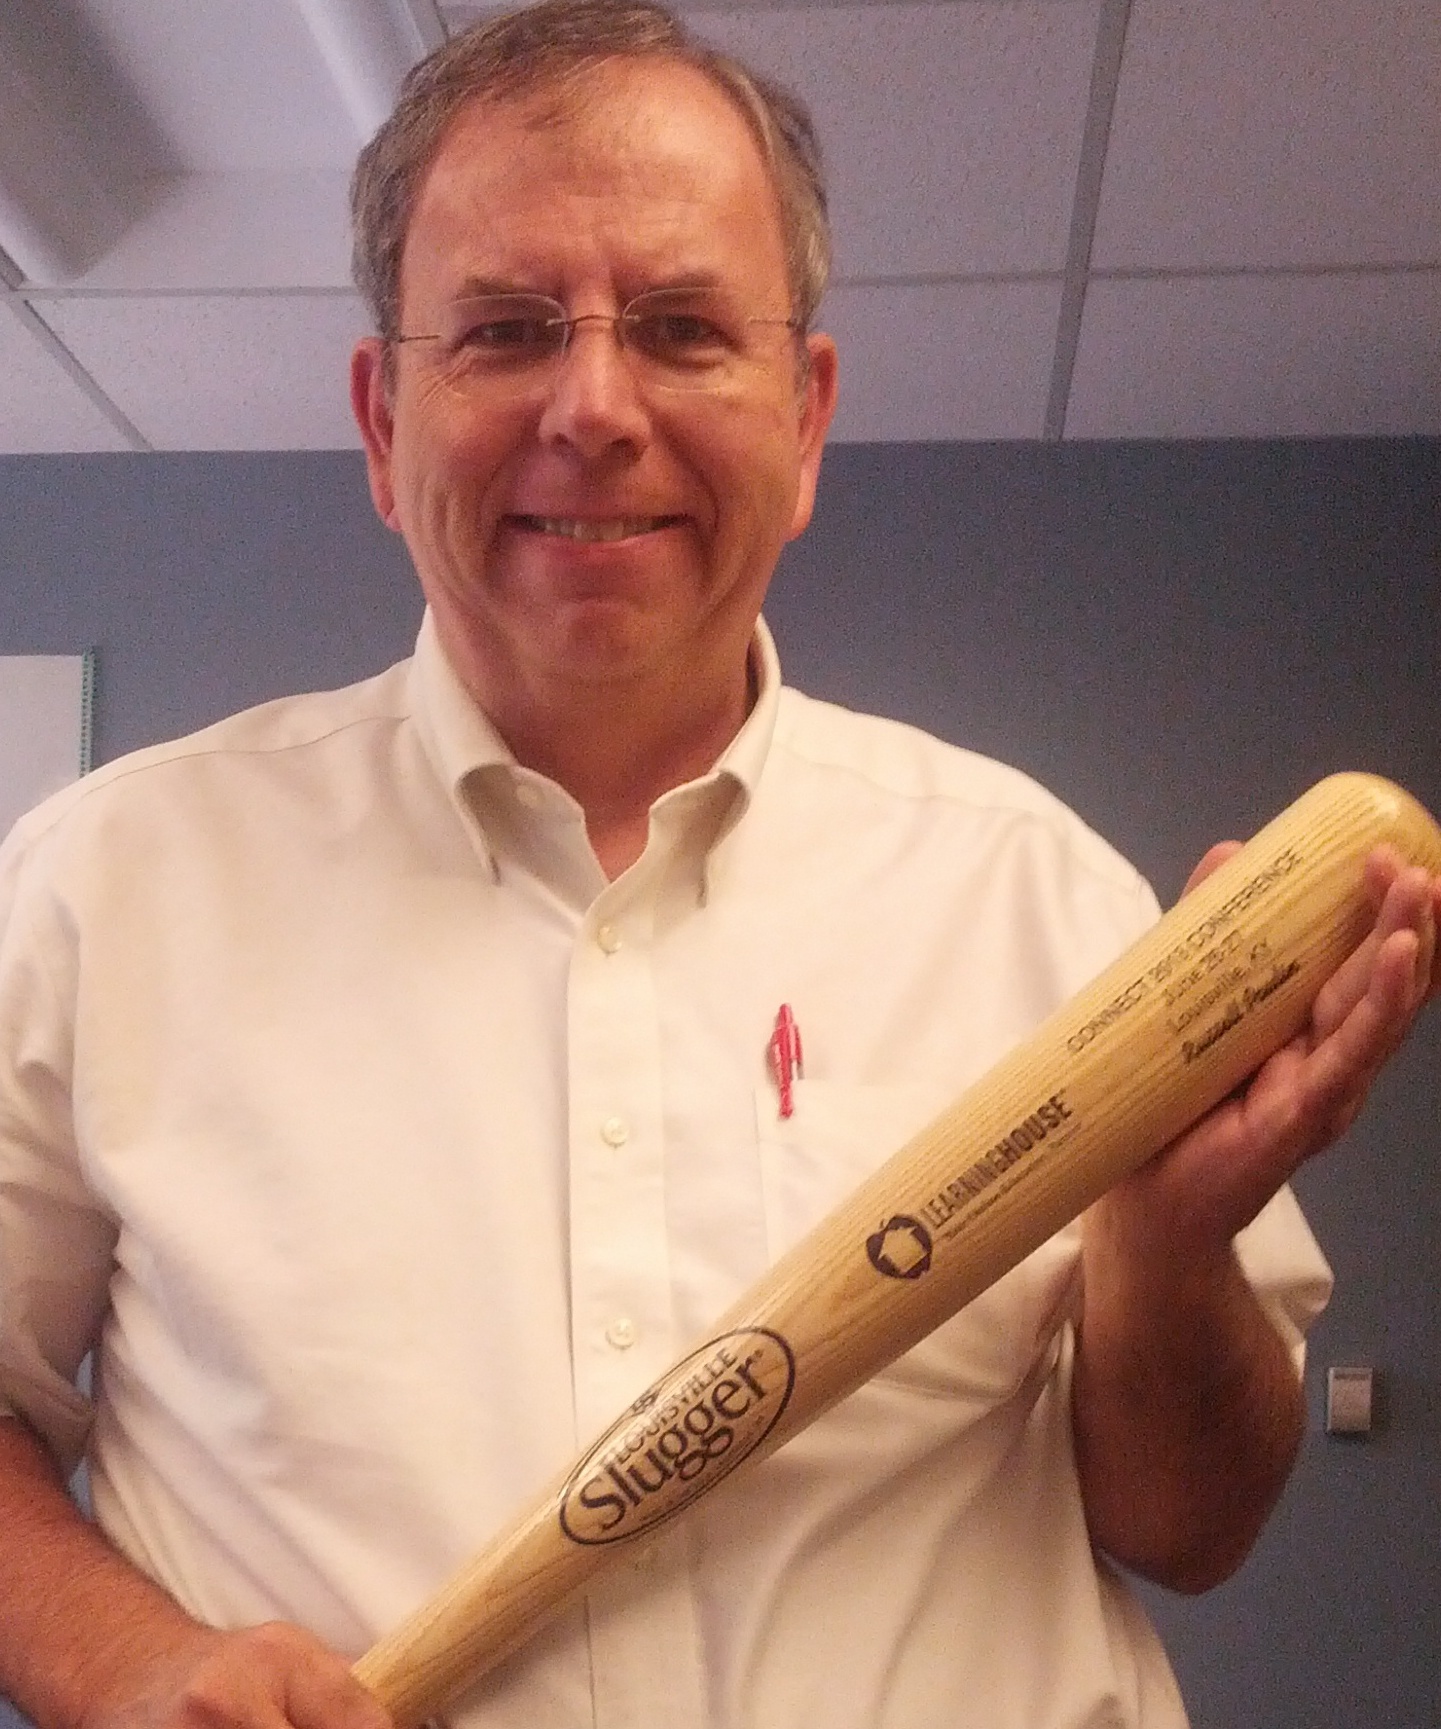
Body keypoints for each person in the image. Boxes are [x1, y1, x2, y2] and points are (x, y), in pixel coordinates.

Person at [0, 4, 1436, 1728]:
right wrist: (129, 1661)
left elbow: (1188, 1526)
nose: (595, 405)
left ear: (805, 414)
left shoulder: (1036, 897)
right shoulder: (111, 883)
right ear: (384, 420)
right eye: (509, 328)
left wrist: (1165, 1234)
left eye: (682, 329)